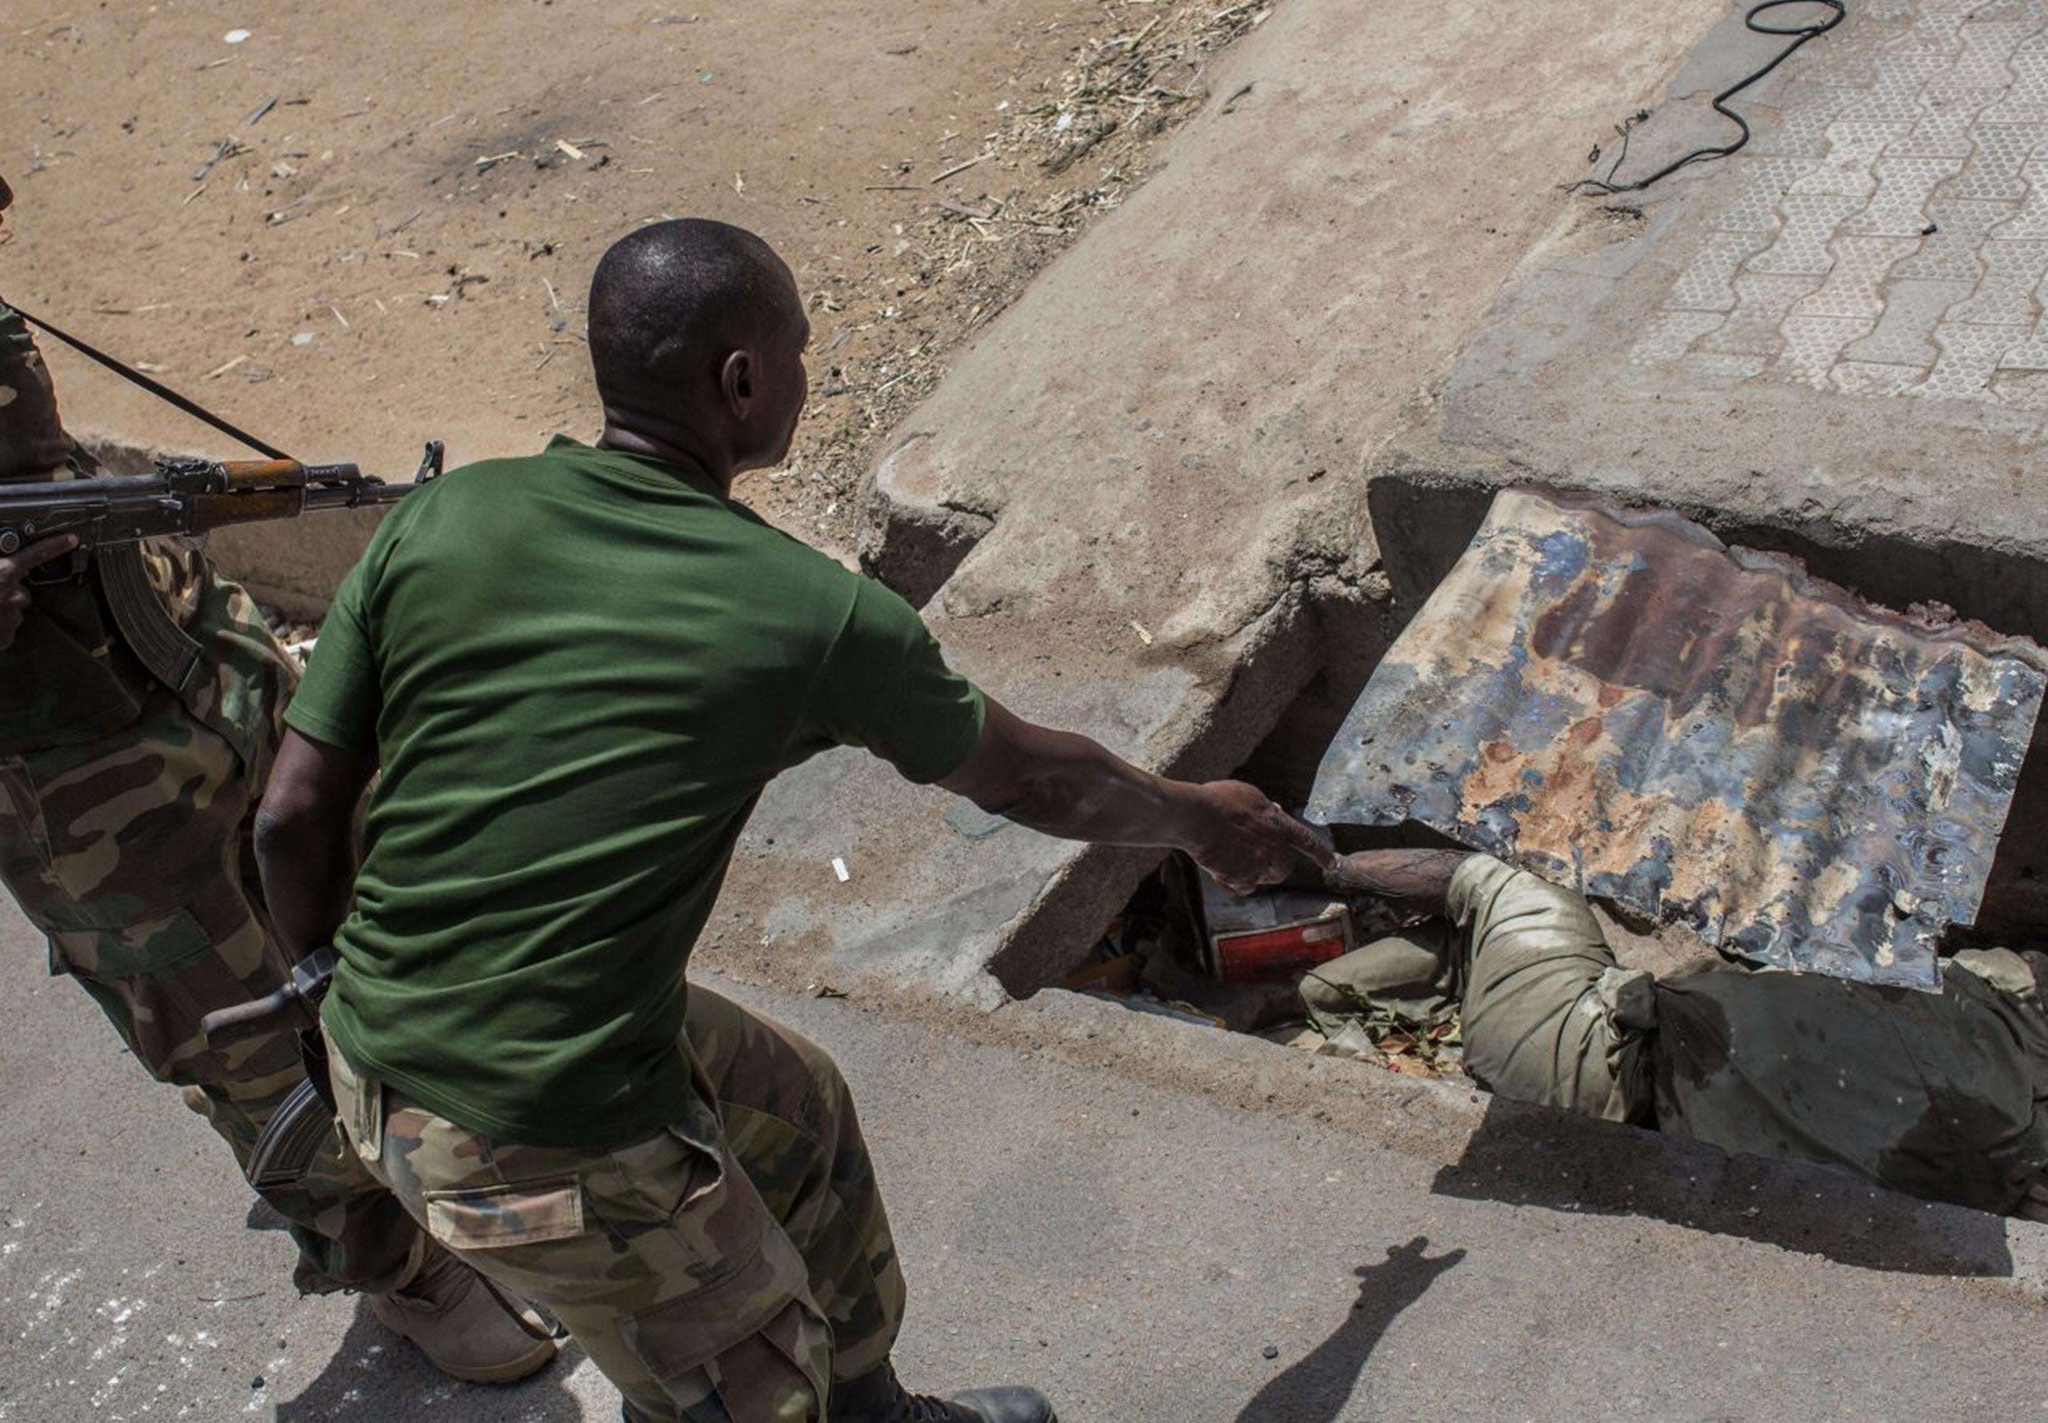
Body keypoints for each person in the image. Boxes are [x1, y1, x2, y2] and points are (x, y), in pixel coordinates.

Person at [251, 217, 1332, 1423]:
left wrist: (320, 982)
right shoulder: (805, 614)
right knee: (748, 1389)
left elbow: (289, 820)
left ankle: (878, 1409)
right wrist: (1199, 820)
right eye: (800, 354)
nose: (806, 379)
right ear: (742, 380)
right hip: (536, 1133)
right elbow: (1028, 778)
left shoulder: (441, 519)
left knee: (795, 1110)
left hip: (370, 1047)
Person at [0, 256, 555, 1379]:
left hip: (204, 661)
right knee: (261, 1049)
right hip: (88, 805)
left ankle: (467, 1151)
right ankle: (402, 1267)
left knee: (379, 914)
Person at [1303, 848, 2048, 1220]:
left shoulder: (1996, 997)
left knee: (1505, 875)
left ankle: (1305, 860)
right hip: (1646, 1070)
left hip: (1597, 1062)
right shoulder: (2015, 1128)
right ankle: (1435, 955)